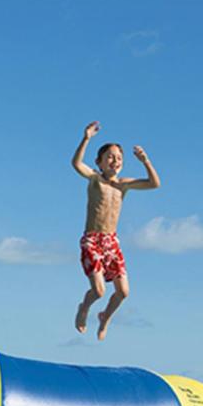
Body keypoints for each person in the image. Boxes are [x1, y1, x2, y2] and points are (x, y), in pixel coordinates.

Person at [71, 121, 160, 340]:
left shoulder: (123, 184)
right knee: (99, 291)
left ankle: (105, 317)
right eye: (110, 157)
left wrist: (145, 161)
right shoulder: (95, 179)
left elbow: (154, 183)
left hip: (111, 241)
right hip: (92, 239)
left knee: (123, 292)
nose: (115, 161)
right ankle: (84, 307)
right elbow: (76, 164)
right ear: (99, 162)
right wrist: (86, 138)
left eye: (119, 158)